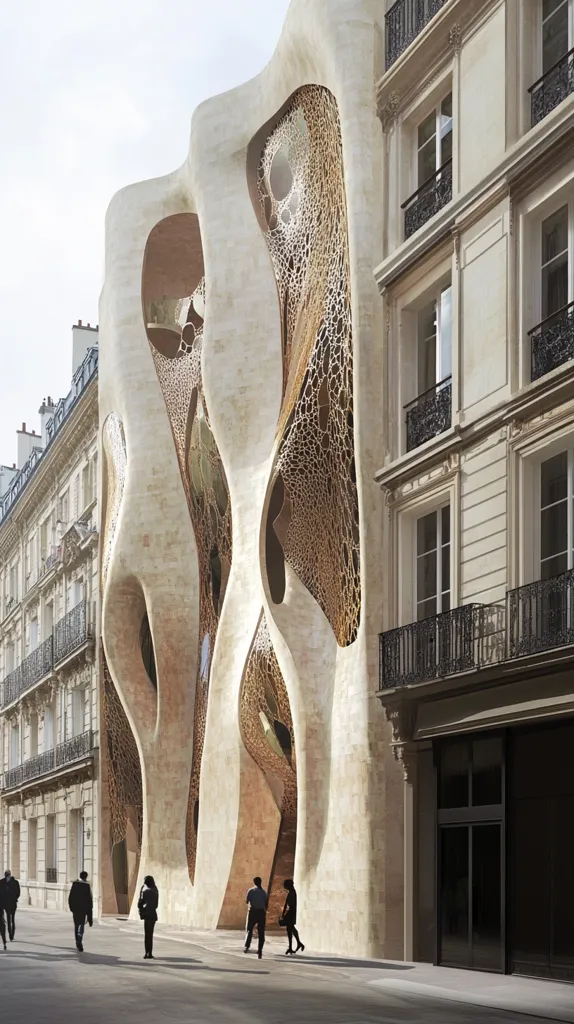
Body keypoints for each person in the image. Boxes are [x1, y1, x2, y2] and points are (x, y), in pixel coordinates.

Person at [68, 871, 93, 952]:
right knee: (81, 925)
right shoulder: (87, 886)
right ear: (85, 877)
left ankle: (77, 941)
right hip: (83, 910)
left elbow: (70, 897)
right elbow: (89, 901)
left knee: (76, 925)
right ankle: (79, 940)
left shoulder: (75, 884)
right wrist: (90, 916)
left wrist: (72, 908)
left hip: (75, 910)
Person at [244, 876, 267, 959]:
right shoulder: (264, 892)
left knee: (249, 929)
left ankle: (247, 946)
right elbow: (266, 903)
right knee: (261, 932)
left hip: (253, 911)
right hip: (261, 912)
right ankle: (260, 950)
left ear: (254, 882)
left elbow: (247, 901)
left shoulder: (251, 891)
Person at [137, 875, 159, 959]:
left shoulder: (144, 889)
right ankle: (149, 952)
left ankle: (147, 952)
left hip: (147, 914)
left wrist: (141, 909)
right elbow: (156, 904)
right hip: (152, 914)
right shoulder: (155, 890)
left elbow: (140, 902)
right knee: (150, 934)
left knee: (147, 934)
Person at [281, 878, 304, 955]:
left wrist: (284, 914)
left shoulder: (292, 893)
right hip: (291, 913)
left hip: (290, 914)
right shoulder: (292, 892)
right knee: (292, 929)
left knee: (289, 930)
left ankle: (291, 946)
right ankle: (298, 943)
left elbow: (289, 905)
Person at [0, 870, 20, 942]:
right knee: (10, 919)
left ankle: (11, 934)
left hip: (11, 903)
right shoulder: (2, 882)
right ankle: (10, 934)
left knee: (11, 919)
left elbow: (18, 893)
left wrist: (14, 898)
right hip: (7, 904)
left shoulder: (14, 882)